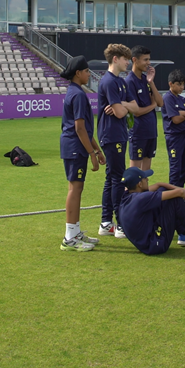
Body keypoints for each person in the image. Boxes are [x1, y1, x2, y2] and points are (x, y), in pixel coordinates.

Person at [118, 167, 185, 254]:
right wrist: (184, 193)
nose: (148, 180)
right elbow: (178, 194)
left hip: (147, 241)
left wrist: (184, 190)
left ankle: (184, 236)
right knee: (175, 200)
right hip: (155, 245)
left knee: (164, 193)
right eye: (145, 179)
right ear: (139, 184)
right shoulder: (141, 199)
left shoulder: (129, 195)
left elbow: (160, 185)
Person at [59, 55, 104, 252]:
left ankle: (75, 232)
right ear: (78, 73)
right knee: (75, 189)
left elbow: (85, 128)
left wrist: (97, 149)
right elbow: (79, 128)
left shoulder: (76, 92)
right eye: (86, 71)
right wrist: (92, 153)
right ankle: (70, 237)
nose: (89, 74)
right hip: (74, 147)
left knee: (77, 188)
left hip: (75, 146)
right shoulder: (77, 95)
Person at [97, 44, 138, 239]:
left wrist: (121, 104)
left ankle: (106, 222)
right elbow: (123, 112)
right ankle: (119, 223)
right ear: (115, 59)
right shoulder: (109, 82)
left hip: (119, 134)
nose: (128, 62)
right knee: (116, 178)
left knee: (111, 177)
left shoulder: (121, 82)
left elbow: (135, 107)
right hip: (111, 134)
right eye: (125, 58)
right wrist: (124, 107)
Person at [125, 45, 164, 171]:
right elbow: (136, 112)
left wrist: (151, 82)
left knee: (146, 174)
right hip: (138, 133)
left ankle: (145, 191)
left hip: (151, 132)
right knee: (135, 174)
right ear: (134, 60)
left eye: (149, 59)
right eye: (145, 60)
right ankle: (130, 192)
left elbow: (160, 103)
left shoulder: (146, 80)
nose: (148, 63)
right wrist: (152, 106)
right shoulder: (130, 82)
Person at [161, 69, 185, 189]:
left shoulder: (183, 100)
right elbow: (175, 119)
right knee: (176, 168)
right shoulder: (168, 98)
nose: (182, 87)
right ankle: (172, 196)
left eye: (183, 84)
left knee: (184, 167)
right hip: (174, 137)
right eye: (179, 84)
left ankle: (180, 195)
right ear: (171, 84)